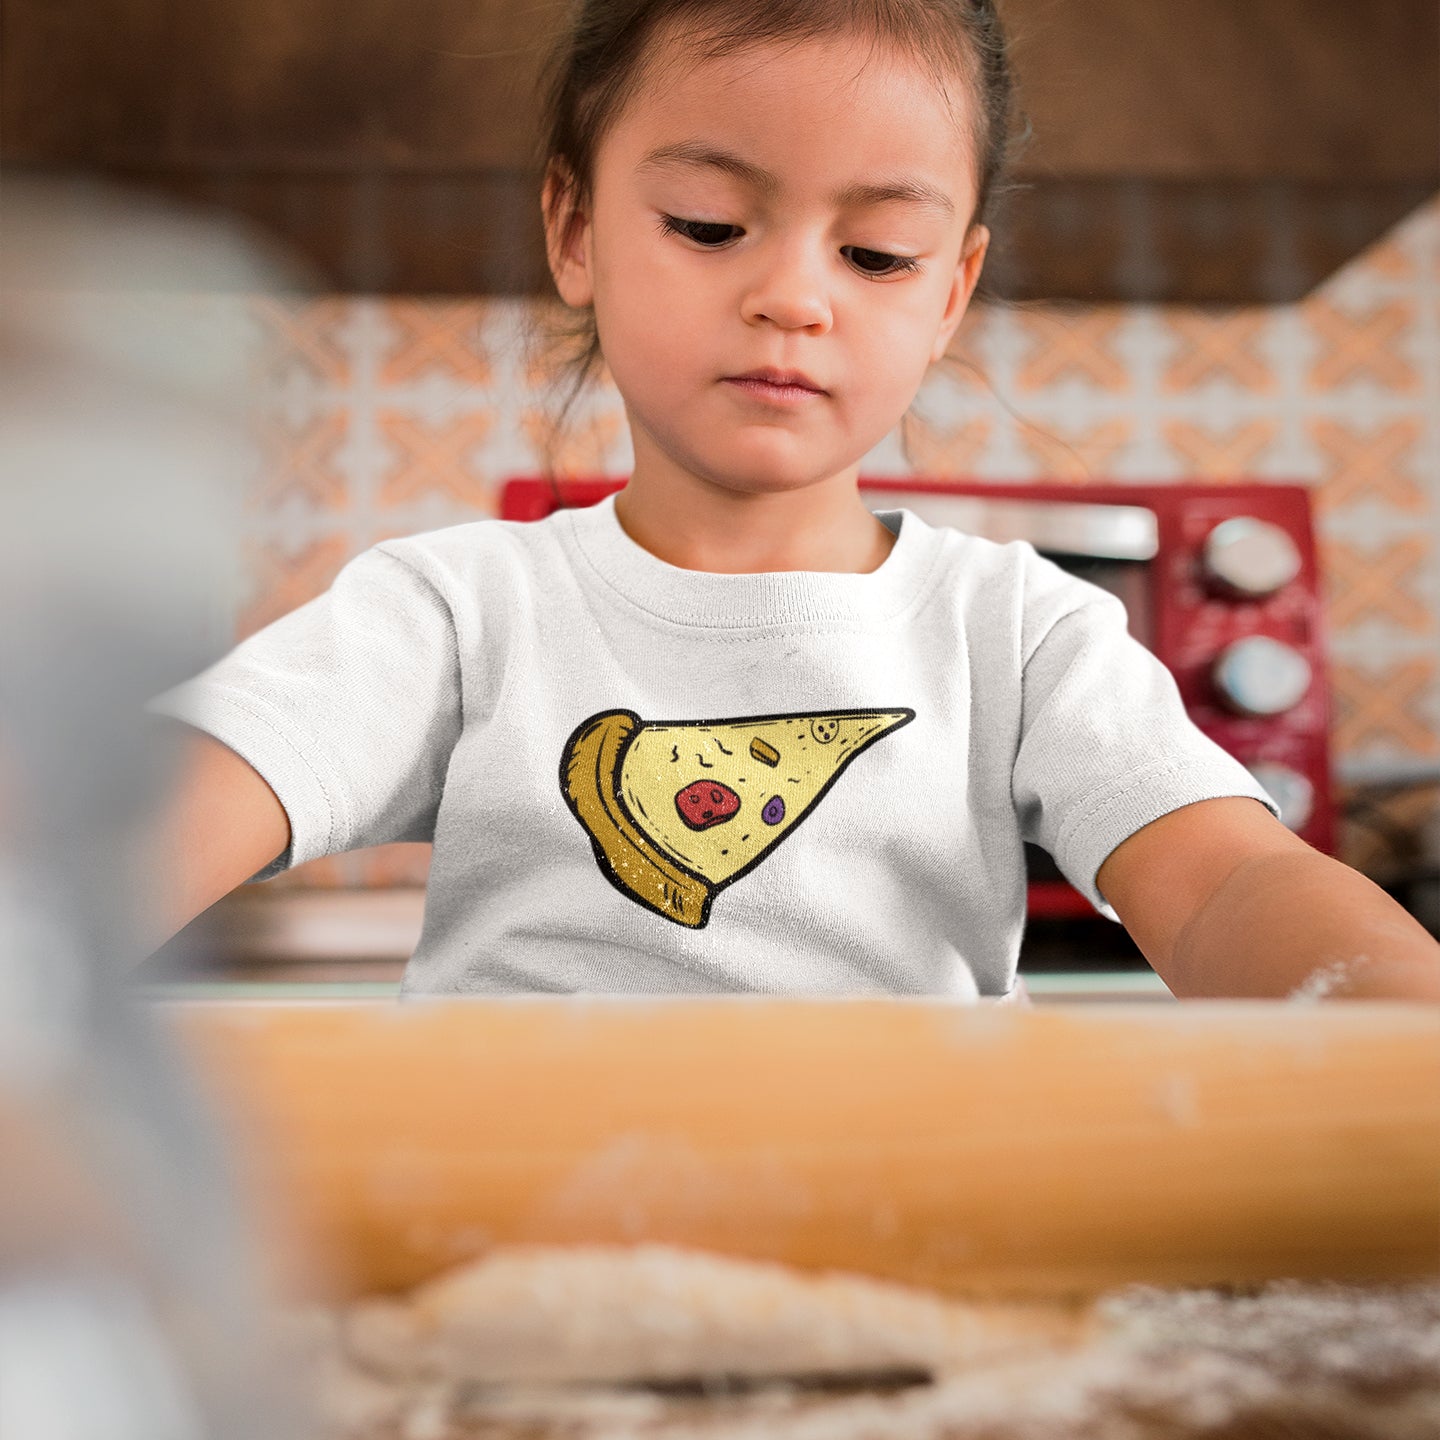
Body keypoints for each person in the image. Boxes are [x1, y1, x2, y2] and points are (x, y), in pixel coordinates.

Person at [143, 0, 1440, 1001]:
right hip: (519, 1268)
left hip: (920, 1266)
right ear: (577, 228)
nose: (795, 297)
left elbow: (1227, 885)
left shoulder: (1021, 634)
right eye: (711, 225)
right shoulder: (454, 612)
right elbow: (161, 803)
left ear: (949, 294)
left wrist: (1390, 1027)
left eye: (876, 253)